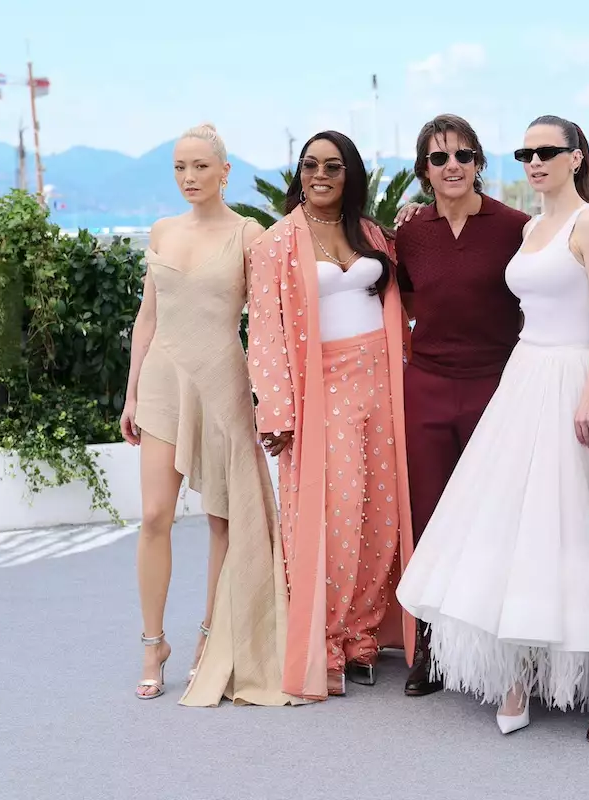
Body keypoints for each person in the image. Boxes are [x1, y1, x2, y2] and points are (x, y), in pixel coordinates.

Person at [396, 116, 589, 734]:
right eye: (527, 151)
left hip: (570, 377)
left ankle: (577, 669)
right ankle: (514, 674)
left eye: (549, 151)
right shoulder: (532, 228)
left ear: (577, 158)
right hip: (521, 375)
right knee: (507, 524)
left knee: (564, 524)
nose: (536, 159)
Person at [121, 123, 288, 705]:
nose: (189, 177)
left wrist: (275, 400)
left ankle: (210, 639)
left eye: (199, 167)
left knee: (223, 517)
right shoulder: (163, 231)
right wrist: (132, 392)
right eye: (179, 167)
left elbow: (271, 322)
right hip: (163, 379)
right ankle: (152, 643)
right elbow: (148, 315)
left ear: (225, 172)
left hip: (221, 378)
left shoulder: (251, 235)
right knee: (154, 516)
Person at [246, 130, 415, 700]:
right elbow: (266, 330)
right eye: (310, 164)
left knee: (382, 514)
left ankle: (365, 636)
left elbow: (402, 301)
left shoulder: (370, 235)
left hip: (382, 384)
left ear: (351, 175)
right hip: (322, 392)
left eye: (334, 166)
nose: (320, 174)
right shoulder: (276, 244)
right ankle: (328, 640)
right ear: (299, 172)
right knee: (336, 513)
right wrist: (277, 409)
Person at [391, 114, 531, 696]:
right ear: (424, 170)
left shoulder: (516, 227)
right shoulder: (408, 233)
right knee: (428, 517)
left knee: (494, 518)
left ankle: (498, 649)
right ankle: (429, 648)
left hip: (495, 385)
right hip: (424, 385)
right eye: (440, 157)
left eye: (464, 156)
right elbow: (397, 301)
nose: (453, 166)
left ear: (479, 164)